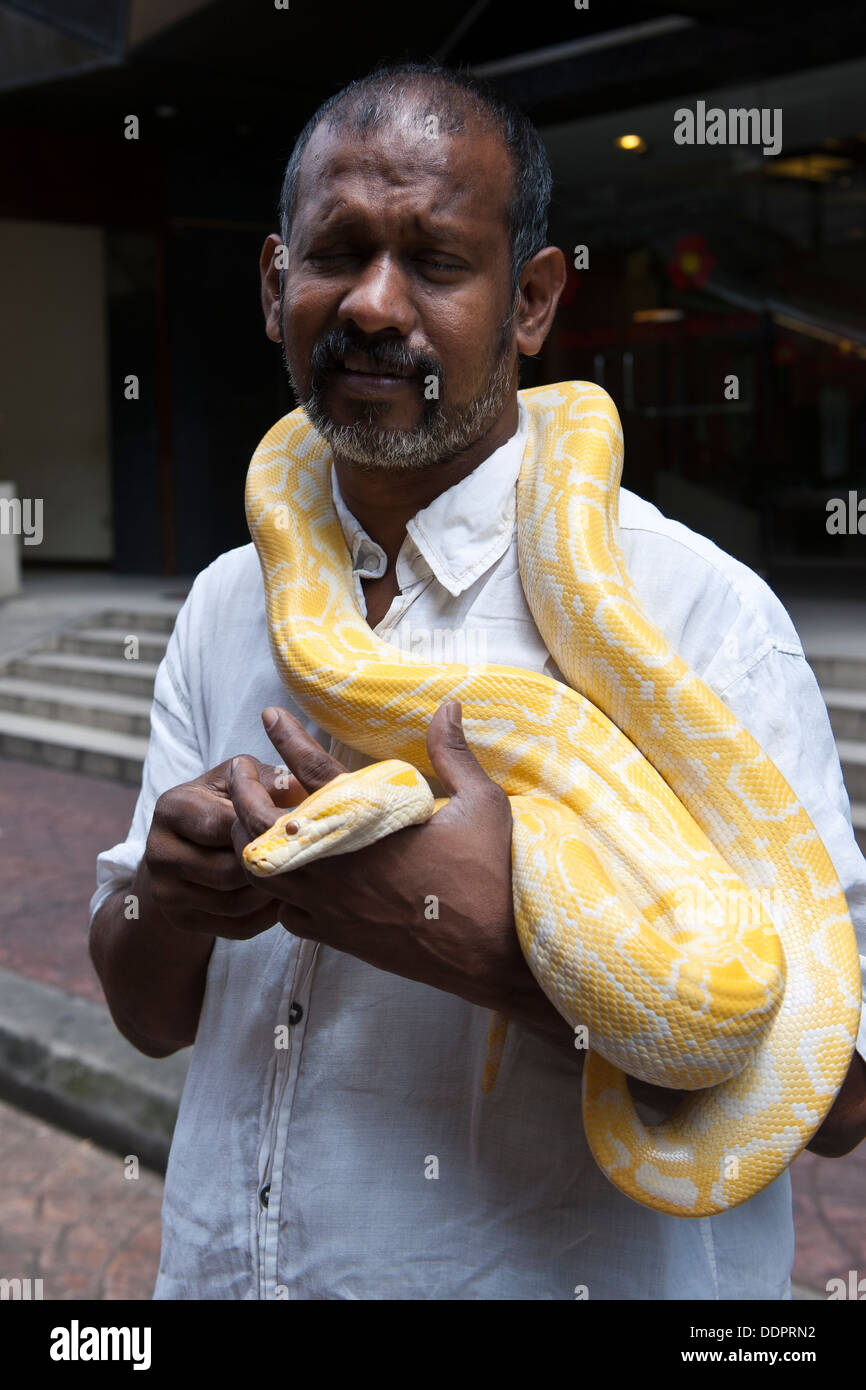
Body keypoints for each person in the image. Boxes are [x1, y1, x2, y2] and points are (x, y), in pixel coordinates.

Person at [89, 61, 866, 1300]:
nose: (375, 305)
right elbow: (148, 1012)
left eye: (438, 262)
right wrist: (170, 905)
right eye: (335, 253)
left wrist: (500, 937)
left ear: (533, 301)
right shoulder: (229, 603)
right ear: (273, 283)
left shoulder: (697, 615)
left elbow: (832, 1102)